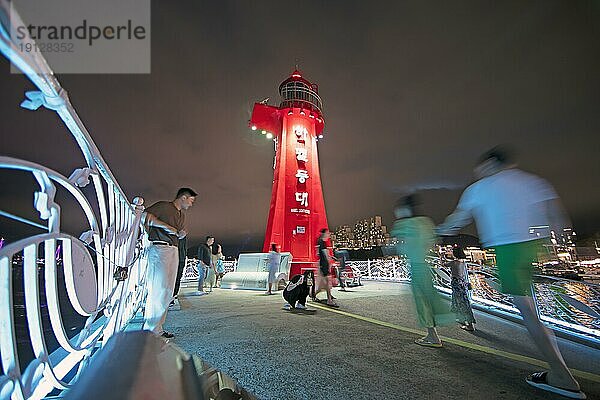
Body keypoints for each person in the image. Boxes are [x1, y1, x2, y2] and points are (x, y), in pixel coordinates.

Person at [437, 147, 584, 399]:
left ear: (490, 164)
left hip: (508, 249)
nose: (478, 172)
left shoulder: (481, 187)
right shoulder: (533, 181)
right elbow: (558, 220)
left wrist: (438, 230)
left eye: (481, 168)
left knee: (527, 312)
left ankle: (561, 376)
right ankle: (559, 370)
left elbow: (457, 219)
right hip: (532, 248)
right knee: (530, 307)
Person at [391, 195, 453, 348]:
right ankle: (440, 323)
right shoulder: (426, 222)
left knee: (422, 301)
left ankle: (432, 336)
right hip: (425, 264)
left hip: (415, 265)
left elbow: (398, 244)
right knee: (430, 296)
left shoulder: (405, 224)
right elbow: (433, 240)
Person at [142, 187, 196, 339]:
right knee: (158, 289)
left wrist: (180, 234)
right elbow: (142, 216)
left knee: (166, 291)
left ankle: (157, 329)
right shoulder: (164, 206)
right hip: (160, 248)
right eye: (191, 200)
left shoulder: (181, 215)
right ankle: (150, 330)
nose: (191, 204)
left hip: (172, 250)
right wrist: (166, 226)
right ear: (184, 197)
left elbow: (175, 233)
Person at [447, 246, 476, 331]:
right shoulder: (462, 262)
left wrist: (440, 255)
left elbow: (443, 264)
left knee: (460, 302)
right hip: (462, 283)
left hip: (456, 284)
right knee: (461, 301)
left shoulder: (454, 262)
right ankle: (461, 319)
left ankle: (469, 325)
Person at [313, 229, 338, 306]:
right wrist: (329, 262)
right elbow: (325, 255)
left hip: (322, 264)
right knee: (327, 283)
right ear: (324, 234)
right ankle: (329, 300)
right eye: (328, 233)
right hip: (324, 265)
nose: (329, 235)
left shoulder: (320, 242)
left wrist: (330, 257)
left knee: (323, 284)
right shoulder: (322, 242)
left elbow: (319, 253)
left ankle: (313, 295)